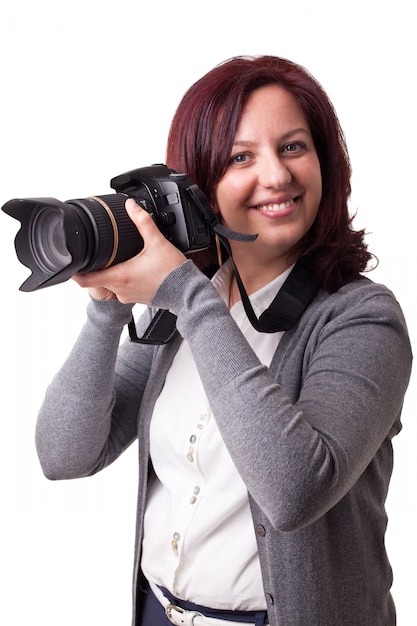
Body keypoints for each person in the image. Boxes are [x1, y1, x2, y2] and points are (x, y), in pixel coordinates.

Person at [35, 55, 412, 626]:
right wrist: (106, 310)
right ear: (200, 187)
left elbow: (293, 492)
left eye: (293, 147)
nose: (277, 176)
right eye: (241, 157)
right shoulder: (185, 300)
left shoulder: (362, 317)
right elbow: (64, 456)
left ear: (325, 163)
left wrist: (187, 295)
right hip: (157, 612)